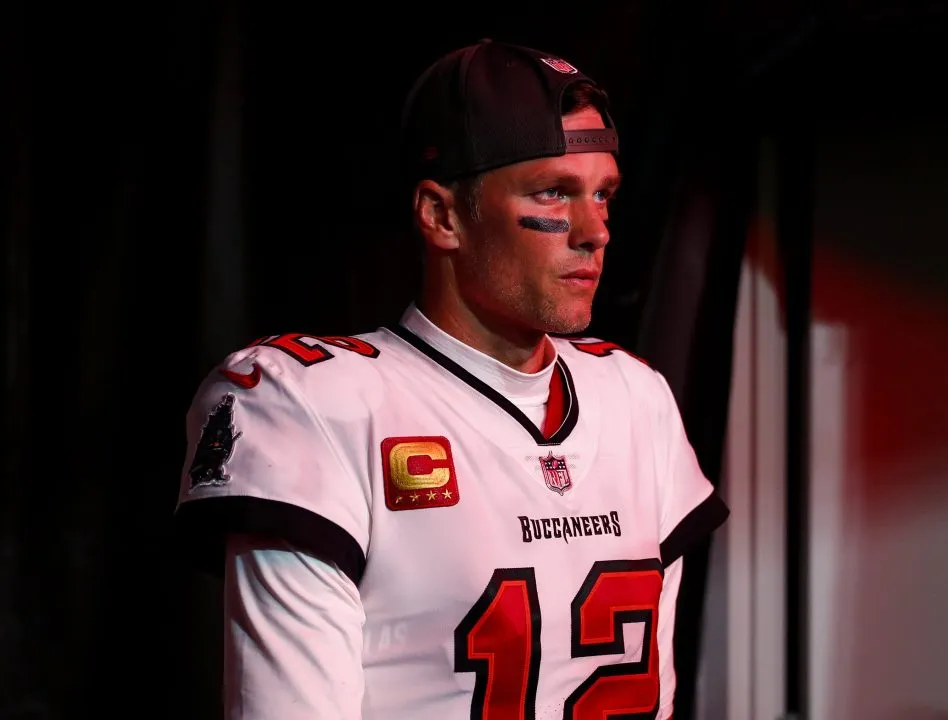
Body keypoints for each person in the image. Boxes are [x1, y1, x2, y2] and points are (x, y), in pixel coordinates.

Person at [173, 38, 730, 719]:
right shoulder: (315, 405)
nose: (595, 231)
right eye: (553, 192)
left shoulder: (635, 399)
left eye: (604, 195)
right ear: (441, 216)